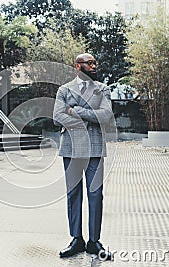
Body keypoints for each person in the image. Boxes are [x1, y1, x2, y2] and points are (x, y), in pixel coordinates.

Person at [53, 53, 114, 258]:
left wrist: (76, 111)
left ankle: (94, 242)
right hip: (71, 149)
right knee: (73, 194)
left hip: (95, 149)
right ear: (77, 66)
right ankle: (76, 240)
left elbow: (105, 116)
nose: (94, 65)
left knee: (95, 194)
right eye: (89, 63)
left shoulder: (102, 89)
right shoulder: (64, 90)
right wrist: (88, 118)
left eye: (94, 62)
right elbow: (57, 117)